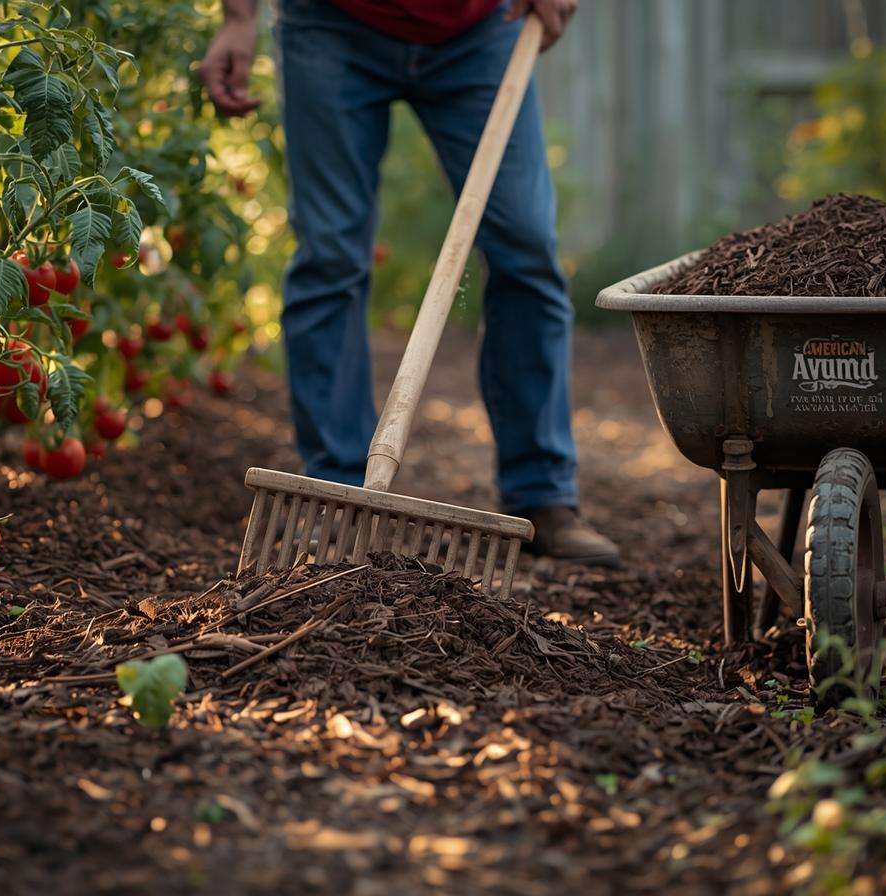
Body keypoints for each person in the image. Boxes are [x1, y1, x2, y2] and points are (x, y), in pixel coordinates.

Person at [201, 0, 619, 567]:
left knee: (527, 247)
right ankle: (337, 495)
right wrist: (238, 16)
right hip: (331, 23)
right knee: (330, 254)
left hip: (479, 29)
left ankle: (542, 495)